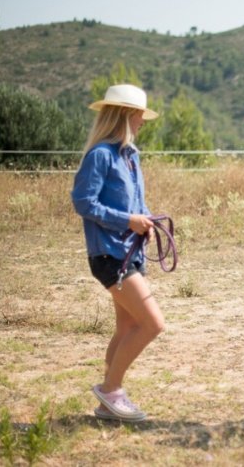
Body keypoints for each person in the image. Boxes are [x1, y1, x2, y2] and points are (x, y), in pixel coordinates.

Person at [71, 84, 164, 422]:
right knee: (153, 324)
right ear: (127, 115)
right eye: (140, 116)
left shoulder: (130, 156)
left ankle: (107, 403)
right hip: (109, 254)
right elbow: (83, 202)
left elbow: (135, 203)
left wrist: (146, 218)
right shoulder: (101, 155)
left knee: (126, 328)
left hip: (129, 253)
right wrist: (128, 220)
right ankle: (110, 391)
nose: (143, 122)